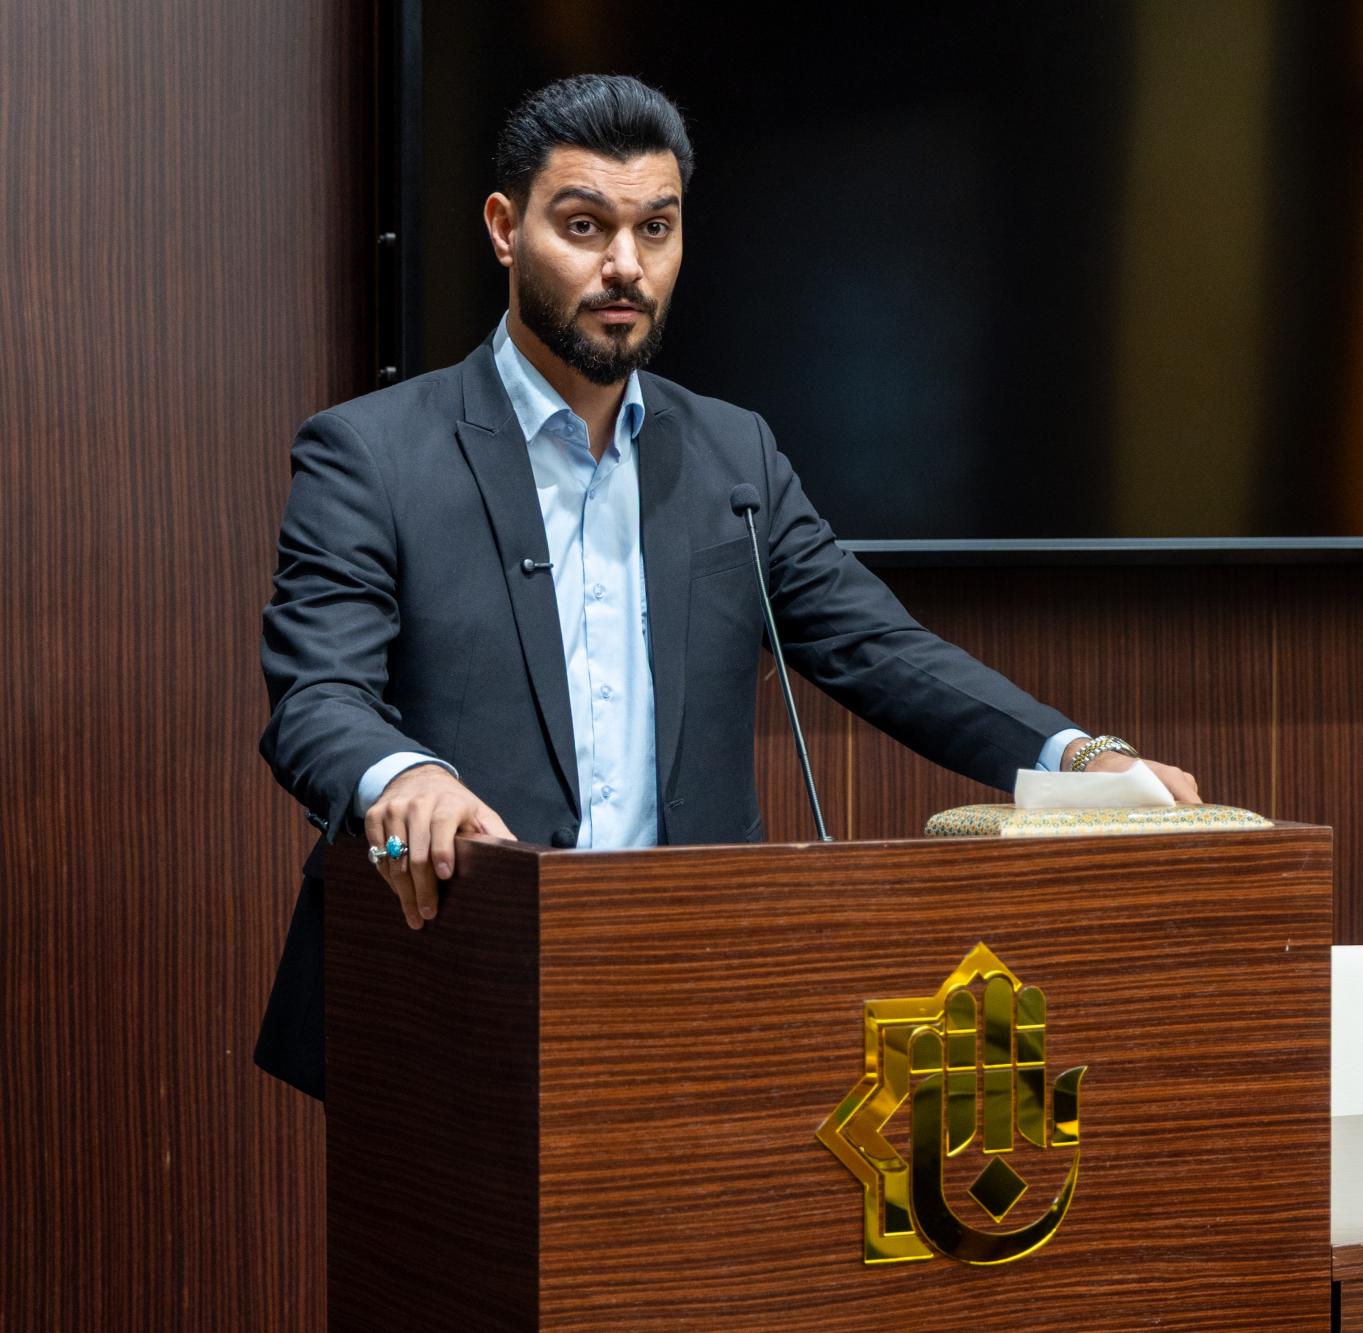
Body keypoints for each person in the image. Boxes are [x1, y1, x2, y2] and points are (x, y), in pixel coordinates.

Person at [255, 74, 1198, 1098]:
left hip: (693, 984)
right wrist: (400, 777)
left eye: (654, 229)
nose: (624, 265)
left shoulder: (731, 454)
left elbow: (878, 648)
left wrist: (1077, 756)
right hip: (448, 983)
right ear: (504, 229)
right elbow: (317, 696)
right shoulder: (373, 453)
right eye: (584, 226)